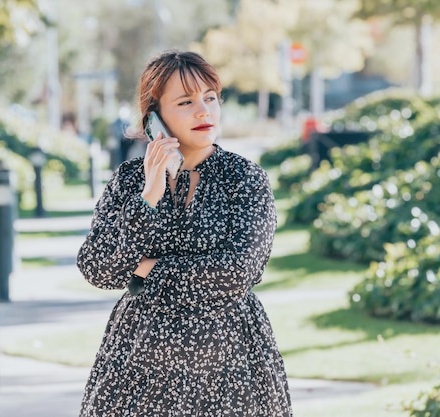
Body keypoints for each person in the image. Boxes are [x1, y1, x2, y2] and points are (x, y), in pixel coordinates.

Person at [76, 49, 293, 417]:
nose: (203, 111)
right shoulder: (130, 180)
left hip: (229, 365)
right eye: (186, 101)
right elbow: (98, 268)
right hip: (139, 366)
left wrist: (145, 271)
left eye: (210, 98)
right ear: (154, 118)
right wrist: (149, 196)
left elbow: (237, 272)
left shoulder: (245, 179)